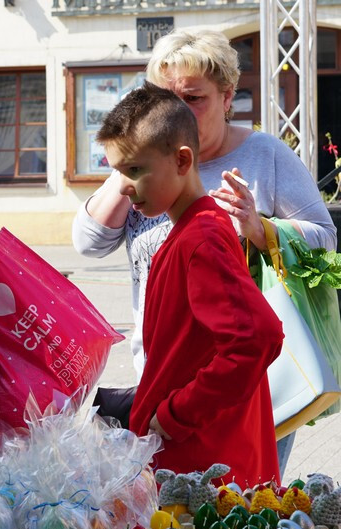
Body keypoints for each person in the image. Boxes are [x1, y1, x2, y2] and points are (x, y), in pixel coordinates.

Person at [72, 29, 335, 470]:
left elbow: (258, 335)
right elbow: (88, 241)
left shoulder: (229, 195)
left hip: (223, 399)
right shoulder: (150, 173)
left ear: (227, 95)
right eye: (164, 98)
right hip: (169, 375)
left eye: (193, 98)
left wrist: (260, 228)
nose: (179, 111)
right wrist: (131, 162)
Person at [98, 82, 283, 487]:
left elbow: (257, 339)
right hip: (194, 463)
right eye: (116, 171)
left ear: (182, 161)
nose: (124, 186)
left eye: (134, 169)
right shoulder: (189, 232)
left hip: (206, 474)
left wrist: (174, 414)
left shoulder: (201, 239)